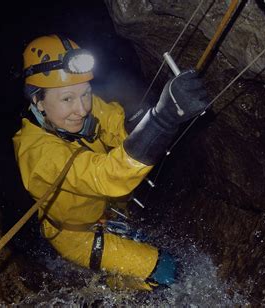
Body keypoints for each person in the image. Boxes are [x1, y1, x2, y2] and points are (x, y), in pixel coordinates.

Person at [13, 34, 208, 290]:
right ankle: (113, 286)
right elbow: (106, 176)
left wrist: (152, 118)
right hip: (76, 235)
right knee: (165, 271)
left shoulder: (85, 111)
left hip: (104, 212)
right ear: (38, 101)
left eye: (85, 94)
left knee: (150, 249)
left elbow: (120, 130)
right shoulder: (38, 153)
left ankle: (112, 278)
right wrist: (162, 120)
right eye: (67, 99)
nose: (82, 109)